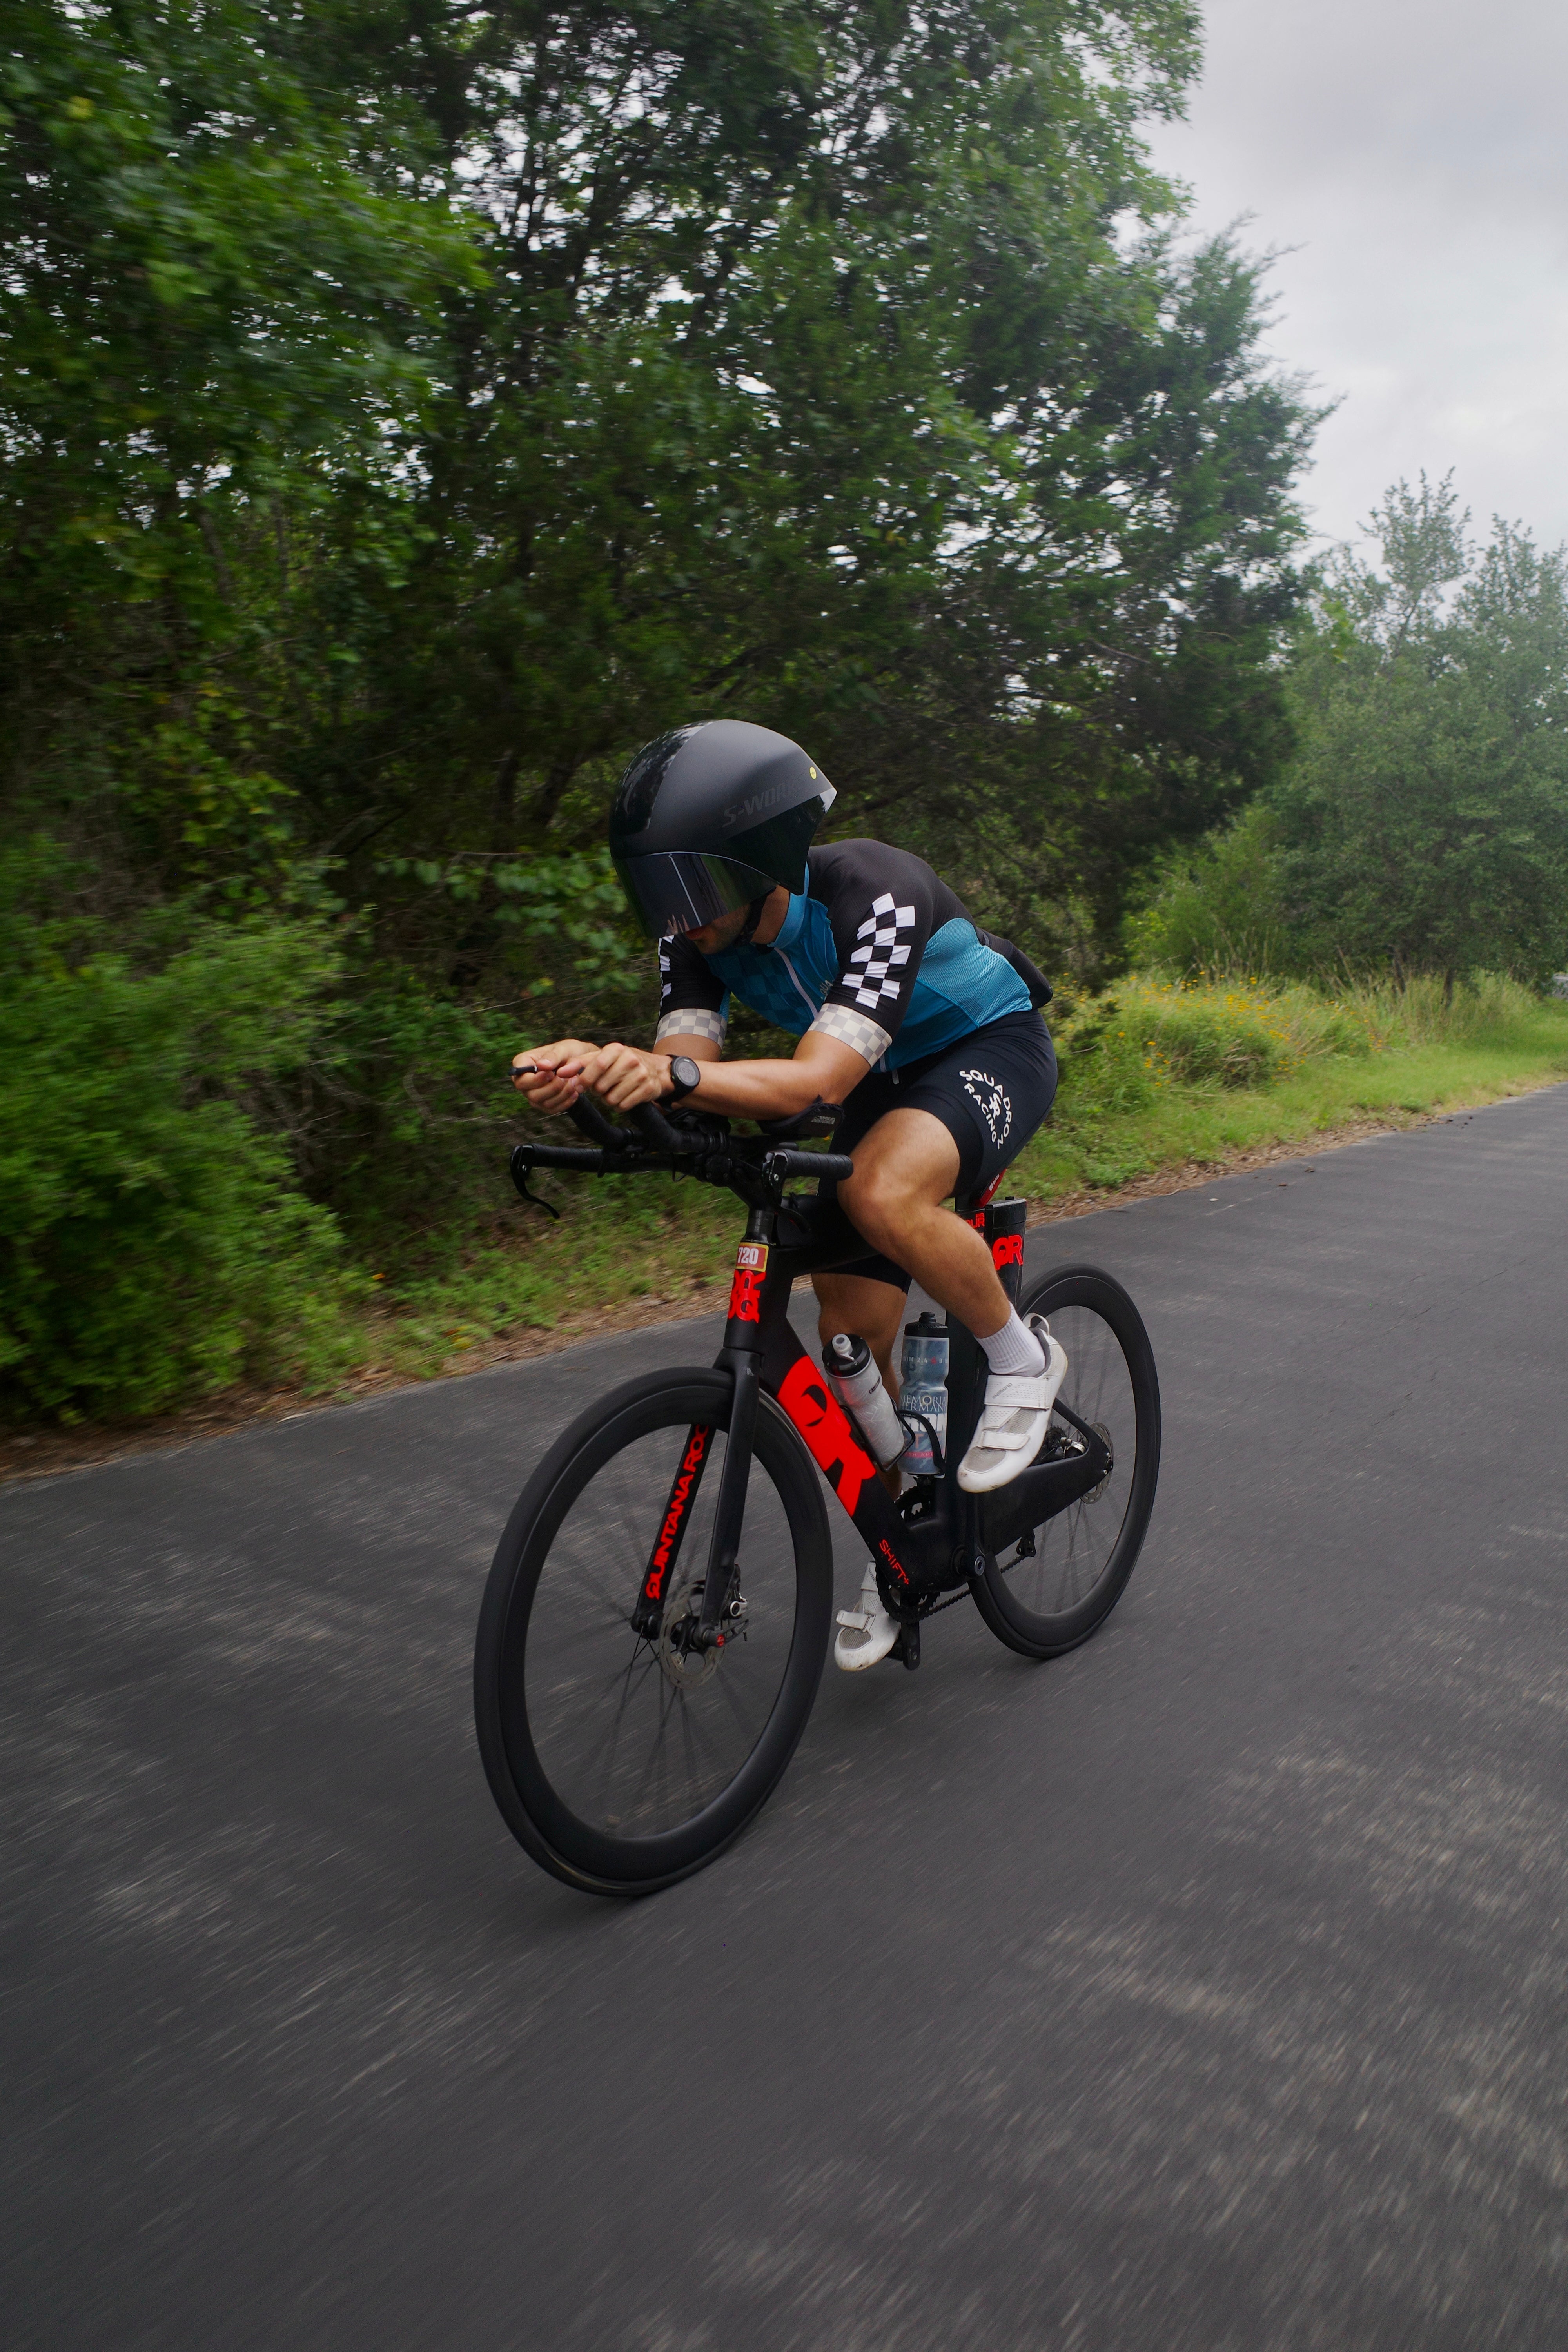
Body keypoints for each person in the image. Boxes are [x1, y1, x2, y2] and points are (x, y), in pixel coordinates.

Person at [511, 719, 1066, 1670]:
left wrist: (664, 1076)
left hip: (982, 1048)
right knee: (851, 1333)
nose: (676, 913)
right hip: (875, 1080)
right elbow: (689, 1071)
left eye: (691, 885)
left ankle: (1021, 1360)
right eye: (658, 890)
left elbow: (811, 1084)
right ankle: (909, 1531)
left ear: (757, 861)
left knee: (884, 1192)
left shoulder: (872, 891)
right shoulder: (692, 939)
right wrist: (607, 1082)